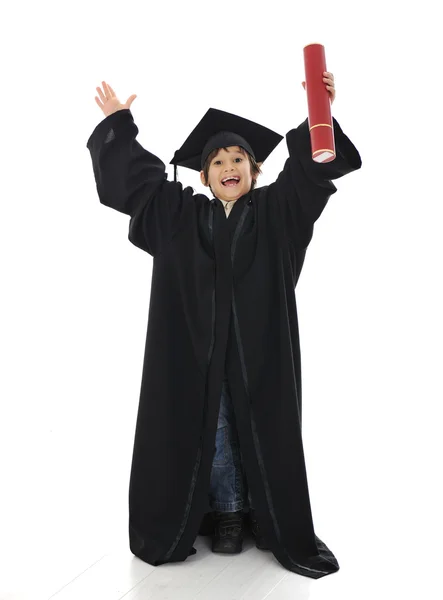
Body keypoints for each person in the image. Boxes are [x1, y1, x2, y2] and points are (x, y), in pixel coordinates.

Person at [86, 73, 362, 579]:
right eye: (217, 161)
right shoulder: (180, 216)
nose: (228, 166)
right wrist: (118, 127)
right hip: (196, 353)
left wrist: (320, 111)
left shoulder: (277, 212)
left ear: (254, 171)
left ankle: (260, 513)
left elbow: (309, 173)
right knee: (210, 429)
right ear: (203, 176)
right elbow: (139, 187)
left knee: (252, 426)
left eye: (238, 159)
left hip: (260, 352)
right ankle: (227, 514)